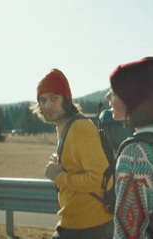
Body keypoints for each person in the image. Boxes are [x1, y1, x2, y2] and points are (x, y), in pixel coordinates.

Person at [31, 68, 113, 239]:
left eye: (54, 98)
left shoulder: (79, 128)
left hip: (89, 227)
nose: (47, 106)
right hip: (78, 222)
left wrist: (59, 176)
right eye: (43, 100)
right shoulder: (64, 126)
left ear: (66, 100)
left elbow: (100, 179)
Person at [105, 57, 153, 238]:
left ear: (132, 100)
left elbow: (128, 232)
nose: (107, 97)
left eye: (114, 93)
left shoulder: (134, 153)